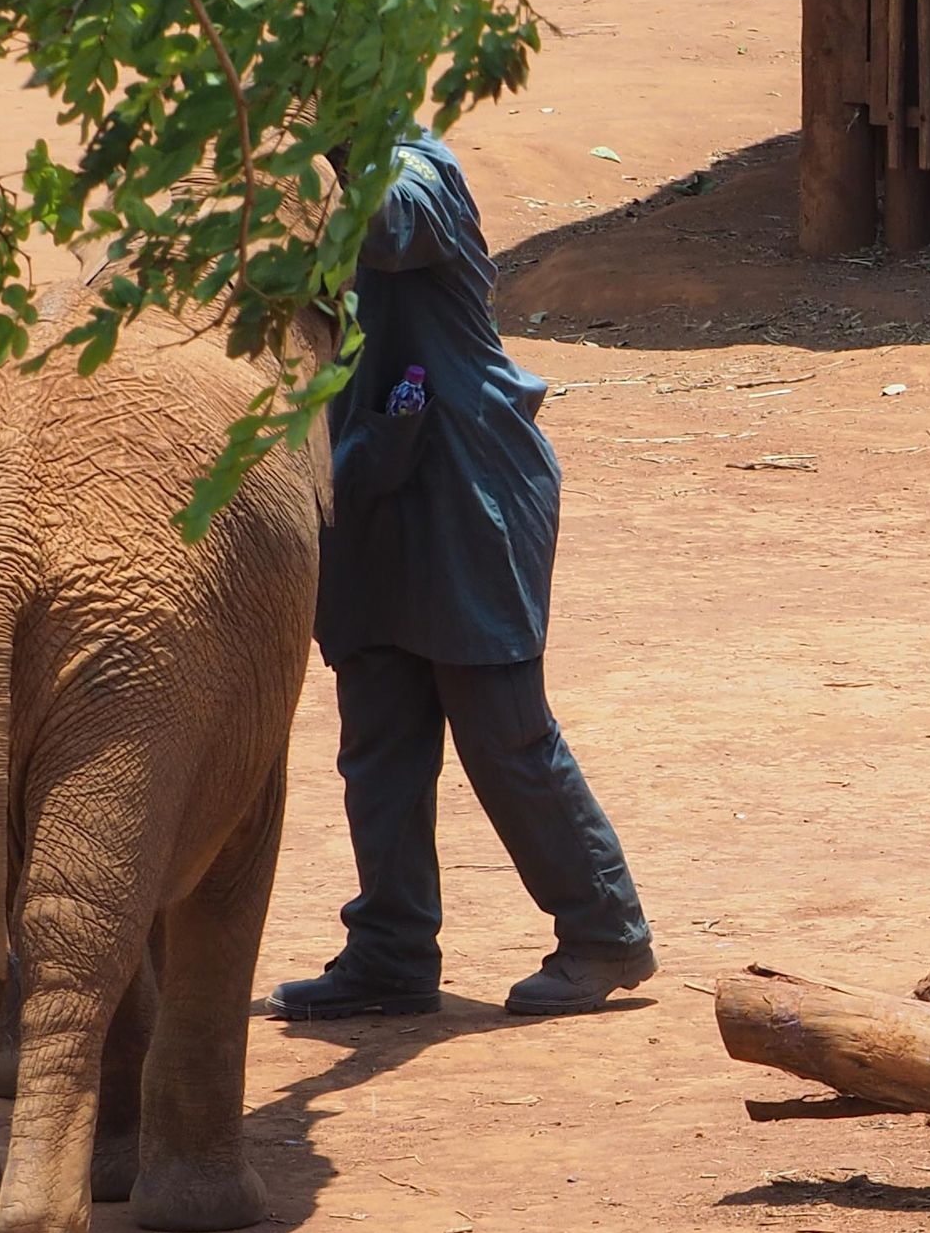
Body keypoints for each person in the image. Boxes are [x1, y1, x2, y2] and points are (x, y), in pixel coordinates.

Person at [268, 135, 659, 1021]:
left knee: (502, 729)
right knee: (380, 735)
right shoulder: (286, 184)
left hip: (470, 489)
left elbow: (392, 226)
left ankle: (605, 932)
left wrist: (312, 163)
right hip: (368, 490)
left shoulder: (414, 171)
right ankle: (392, 952)